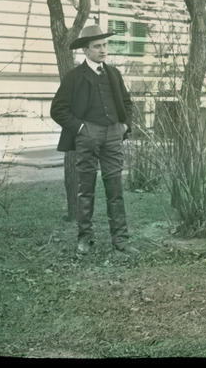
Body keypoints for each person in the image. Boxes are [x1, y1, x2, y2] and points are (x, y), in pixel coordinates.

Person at [51, 24, 139, 256]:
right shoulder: (73, 77)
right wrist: (81, 128)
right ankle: (85, 240)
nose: (103, 50)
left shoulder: (113, 74)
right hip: (87, 137)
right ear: (86, 51)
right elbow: (58, 110)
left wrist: (124, 125)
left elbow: (127, 104)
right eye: (97, 46)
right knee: (86, 189)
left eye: (104, 45)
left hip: (113, 135)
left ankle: (120, 240)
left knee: (115, 188)